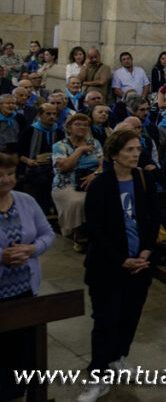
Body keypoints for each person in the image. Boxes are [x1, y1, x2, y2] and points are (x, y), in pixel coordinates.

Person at [78, 129, 159, 402]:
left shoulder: (143, 178)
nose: (136, 154)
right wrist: (122, 260)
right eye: (129, 150)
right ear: (114, 154)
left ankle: (118, 358)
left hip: (140, 262)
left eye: (137, 149)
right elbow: (96, 229)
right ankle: (98, 375)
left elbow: (152, 218)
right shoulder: (101, 184)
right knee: (106, 321)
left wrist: (146, 252)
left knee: (130, 316)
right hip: (108, 266)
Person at [0, 151, 55, 402]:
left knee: (20, 350)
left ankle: (16, 394)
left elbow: (47, 233)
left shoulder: (25, 201)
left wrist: (33, 249)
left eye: (10, 174)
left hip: (25, 290)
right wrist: (1, 256)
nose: (6, 180)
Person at [51, 113, 102, 244]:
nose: (82, 127)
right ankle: (78, 234)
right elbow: (65, 167)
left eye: (85, 125)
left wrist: (95, 175)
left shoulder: (95, 143)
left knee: (106, 197)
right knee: (78, 201)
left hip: (93, 180)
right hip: (66, 183)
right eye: (78, 124)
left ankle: (100, 234)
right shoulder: (60, 145)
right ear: (69, 128)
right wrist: (79, 150)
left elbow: (103, 164)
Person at [18, 101, 64, 214]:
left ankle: (59, 215)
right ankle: (44, 214)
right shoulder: (29, 131)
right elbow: (19, 153)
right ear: (40, 115)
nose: (52, 117)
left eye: (54, 114)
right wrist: (28, 161)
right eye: (48, 114)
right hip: (34, 167)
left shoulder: (59, 132)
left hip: (53, 167)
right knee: (44, 181)